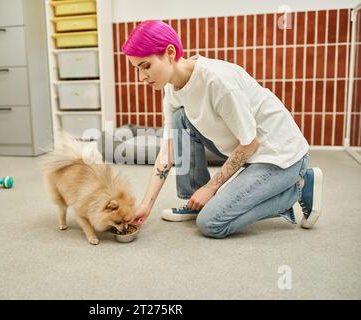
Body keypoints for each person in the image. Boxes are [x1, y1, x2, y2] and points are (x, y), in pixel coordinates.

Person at [123, 20, 323, 238]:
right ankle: (194, 201)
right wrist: (146, 206)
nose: (141, 77)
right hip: (248, 152)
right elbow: (167, 153)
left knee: (211, 223)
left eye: (145, 66)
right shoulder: (172, 90)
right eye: (136, 69)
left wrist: (211, 187)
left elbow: (250, 144)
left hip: (280, 156)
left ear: (169, 52)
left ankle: (300, 185)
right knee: (181, 119)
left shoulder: (217, 81)